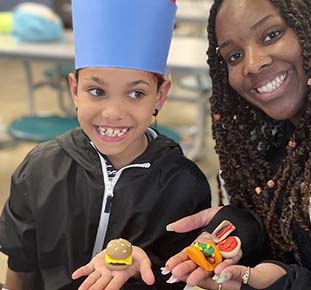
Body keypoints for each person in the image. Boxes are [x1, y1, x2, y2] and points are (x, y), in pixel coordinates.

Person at [105, 0, 311, 289]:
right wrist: (245, 230)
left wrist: (290, 285)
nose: (253, 63)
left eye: (271, 35)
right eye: (233, 55)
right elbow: (285, 256)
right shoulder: (262, 147)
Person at [0, 1, 211, 289]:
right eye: (97, 91)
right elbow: (20, 266)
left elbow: (181, 275)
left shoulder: (184, 184)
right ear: (75, 90)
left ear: (160, 96)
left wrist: (142, 267)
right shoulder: (39, 169)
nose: (113, 112)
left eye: (136, 93)